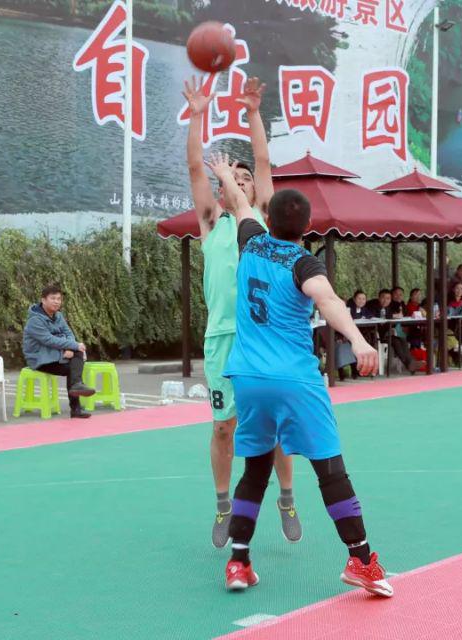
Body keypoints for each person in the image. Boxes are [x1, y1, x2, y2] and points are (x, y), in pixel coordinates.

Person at [207, 152, 392, 597]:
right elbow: (327, 300)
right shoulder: (304, 263)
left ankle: (238, 562)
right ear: (307, 227)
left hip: (248, 378)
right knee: (330, 469)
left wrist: (224, 175)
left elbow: (239, 203)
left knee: (255, 470)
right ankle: (361, 560)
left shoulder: (250, 241)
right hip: (294, 380)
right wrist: (358, 340)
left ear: (268, 220)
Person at [183, 76, 300, 547]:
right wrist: (197, 114)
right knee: (223, 427)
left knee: (274, 426)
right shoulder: (212, 222)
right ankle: (222, 505)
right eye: (230, 176)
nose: (237, 179)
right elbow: (195, 167)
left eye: (244, 177)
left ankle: (286, 497)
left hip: (264, 336)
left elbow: (264, 162)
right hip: (222, 338)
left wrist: (252, 112)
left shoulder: (264, 222)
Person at [22, 284, 96, 419]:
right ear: (43, 300)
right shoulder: (34, 320)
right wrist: (71, 347)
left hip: (56, 355)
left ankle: (76, 395)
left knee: (76, 356)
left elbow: (69, 333)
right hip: (40, 359)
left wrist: (70, 347)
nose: (56, 302)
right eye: (53, 298)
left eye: (59, 299)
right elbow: (48, 340)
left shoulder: (58, 316)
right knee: (74, 366)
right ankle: (76, 406)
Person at [367, 289, 421, 373]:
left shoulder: (389, 308)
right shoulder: (373, 306)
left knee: (401, 339)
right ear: (379, 298)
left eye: (388, 298)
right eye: (383, 298)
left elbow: (394, 319)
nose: (385, 300)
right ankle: (410, 364)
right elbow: (372, 316)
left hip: (389, 334)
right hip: (377, 335)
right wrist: (392, 316)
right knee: (395, 341)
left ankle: (410, 363)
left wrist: (393, 326)